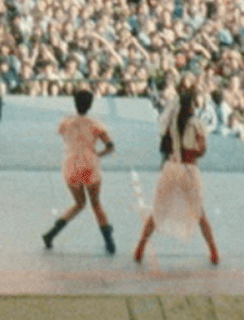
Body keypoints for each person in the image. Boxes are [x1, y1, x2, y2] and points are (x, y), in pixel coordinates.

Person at [134, 90, 219, 265]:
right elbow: (201, 150)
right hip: (189, 170)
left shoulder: (171, 123)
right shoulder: (196, 123)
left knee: (158, 210)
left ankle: (140, 247)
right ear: (191, 106)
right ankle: (213, 251)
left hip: (171, 168)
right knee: (199, 212)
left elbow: (165, 145)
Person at [43, 89, 117, 252]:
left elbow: (63, 135)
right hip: (89, 165)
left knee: (79, 203)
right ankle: (109, 240)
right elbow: (110, 146)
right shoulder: (96, 124)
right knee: (96, 204)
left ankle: (51, 233)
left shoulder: (65, 122)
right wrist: (98, 155)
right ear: (90, 105)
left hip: (71, 164)